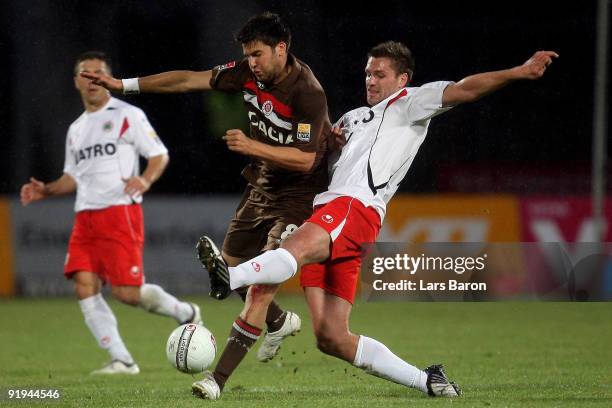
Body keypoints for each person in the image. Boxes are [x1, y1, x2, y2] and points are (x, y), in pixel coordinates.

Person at [202, 42, 559, 398]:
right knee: (331, 337)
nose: (371, 80)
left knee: (288, 253)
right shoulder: (349, 120)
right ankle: (428, 381)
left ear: (403, 78)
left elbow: (465, 88)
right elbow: (310, 161)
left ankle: (230, 277)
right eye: (368, 73)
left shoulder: (410, 103)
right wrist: (326, 145)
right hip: (334, 215)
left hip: (354, 207)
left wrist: (519, 71)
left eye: (380, 74)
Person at [81, 12, 331, 390]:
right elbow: (188, 79)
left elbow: (306, 158)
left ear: (282, 49)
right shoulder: (248, 73)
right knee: (227, 271)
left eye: (258, 54)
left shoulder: (307, 91)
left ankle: (217, 379)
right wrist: (122, 84)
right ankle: (279, 322)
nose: (252, 62)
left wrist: (251, 145)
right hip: (261, 187)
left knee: (260, 282)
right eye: (248, 54)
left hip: (299, 195)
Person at [20, 51, 202, 375]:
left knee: (126, 293)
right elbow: (73, 176)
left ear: (106, 78)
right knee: (83, 285)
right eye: (85, 73)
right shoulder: (76, 129)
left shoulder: (127, 114)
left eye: (97, 73)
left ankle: (185, 311)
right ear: (76, 81)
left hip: (119, 213)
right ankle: (122, 359)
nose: (91, 79)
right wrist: (46, 190)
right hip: (84, 217)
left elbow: (159, 154)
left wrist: (145, 179)